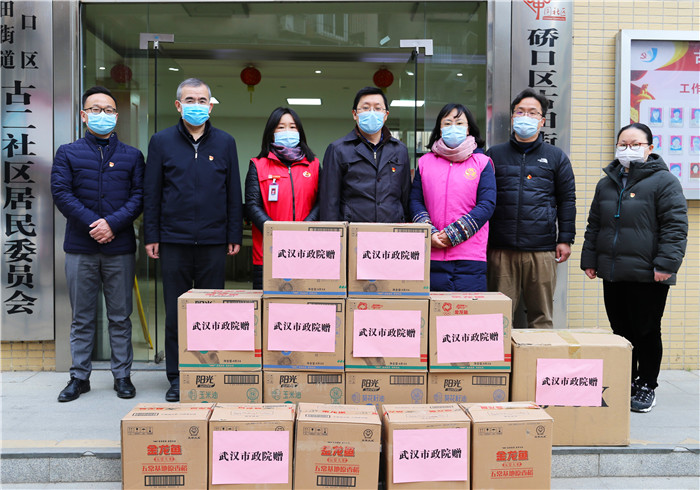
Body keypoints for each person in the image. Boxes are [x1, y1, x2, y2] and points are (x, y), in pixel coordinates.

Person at [143, 78, 243, 401]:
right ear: (178, 105)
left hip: (214, 241)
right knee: (176, 313)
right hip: (174, 241)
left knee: (211, 313)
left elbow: (233, 192)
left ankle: (209, 373)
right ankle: (177, 377)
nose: (196, 106)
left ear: (210, 106)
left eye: (202, 101)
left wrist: (233, 233)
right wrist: (152, 234)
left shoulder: (225, 143)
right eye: (190, 100)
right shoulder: (161, 142)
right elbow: (152, 192)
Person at [581, 122, 687, 413]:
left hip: (649, 273)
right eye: (623, 144)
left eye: (635, 144)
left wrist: (666, 264)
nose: (628, 149)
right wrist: (590, 259)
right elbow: (595, 224)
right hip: (613, 271)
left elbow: (675, 227)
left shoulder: (665, 182)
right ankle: (626, 379)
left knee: (646, 330)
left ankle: (647, 384)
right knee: (621, 329)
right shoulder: (607, 182)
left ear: (649, 148)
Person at [51, 86, 144, 402]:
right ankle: (79, 377)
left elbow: (139, 197)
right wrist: (95, 224)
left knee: (120, 317)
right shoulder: (68, 153)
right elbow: (62, 193)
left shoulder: (132, 156)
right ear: (83, 115)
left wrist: (112, 224)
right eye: (95, 109)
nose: (102, 114)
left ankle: (122, 376)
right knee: (82, 317)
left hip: (119, 248)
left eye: (108, 110)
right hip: (81, 247)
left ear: (116, 116)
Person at [486, 88, 576, 329]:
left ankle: (538, 355)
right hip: (501, 249)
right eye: (520, 112)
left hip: (541, 249)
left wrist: (565, 239)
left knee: (541, 317)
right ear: (512, 117)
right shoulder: (494, 155)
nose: (526, 116)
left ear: (542, 120)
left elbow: (567, 200)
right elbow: (483, 199)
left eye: (533, 112)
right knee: (497, 319)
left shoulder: (556, 157)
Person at [409, 103, 496, 291]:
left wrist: (453, 234)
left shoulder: (482, 163)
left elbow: (486, 205)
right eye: (447, 123)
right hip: (431, 253)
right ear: (440, 129)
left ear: (468, 129)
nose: (453, 128)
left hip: (470, 257)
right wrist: (430, 233)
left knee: (467, 309)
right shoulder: (425, 163)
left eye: (459, 123)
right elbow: (416, 201)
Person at [245, 107, 320, 289]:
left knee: (302, 304)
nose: (287, 131)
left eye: (292, 127)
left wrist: (305, 228)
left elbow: (322, 202)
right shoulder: (258, 165)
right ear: (271, 133)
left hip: (305, 250)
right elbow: (252, 205)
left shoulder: (314, 165)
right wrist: (275, 232)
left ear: (300, 132)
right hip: (268, 252)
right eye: (281, 127)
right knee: (269, 305)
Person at [319, 86, 411, 222]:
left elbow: (406, 196)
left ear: (386, 115)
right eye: (366, 108)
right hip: (353, 230)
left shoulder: (400, 150)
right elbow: (329, 202)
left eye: (378, 108)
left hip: (392, 228)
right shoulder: (338, 149)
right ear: (355, 114)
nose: (372, 112)